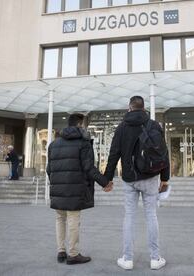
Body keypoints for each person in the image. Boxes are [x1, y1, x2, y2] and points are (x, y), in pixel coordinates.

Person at [104, 96, 170, 270]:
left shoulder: (122, 127)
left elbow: (113, 155)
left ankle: (127, 259)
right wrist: (165, 178)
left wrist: (107, 179)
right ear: (143, 108)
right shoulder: (154, 125)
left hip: (129, 179)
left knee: (129, 217)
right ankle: (155, 259)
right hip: (150, 177)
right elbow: (164, 153)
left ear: (129, 108)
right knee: (151, 216)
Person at [46, 113, 112, 265]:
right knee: (73, 219)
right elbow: (88, 168)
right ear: (80, 125)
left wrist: (56, 183)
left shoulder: (53, 145)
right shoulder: (83, 143)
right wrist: (105, 182)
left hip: (58, 189)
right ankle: (73, 254)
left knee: (60, 219)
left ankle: (61, 251)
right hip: (75, 189)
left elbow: (49, 169)